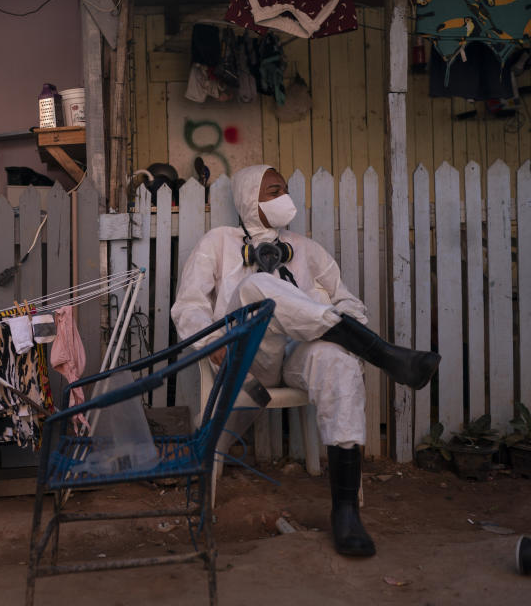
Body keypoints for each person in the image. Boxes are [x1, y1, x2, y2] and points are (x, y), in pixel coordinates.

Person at [171, 165, 440, 557]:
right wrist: (212, 341)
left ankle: (345, 512)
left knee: (340, 364)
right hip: (243, 355)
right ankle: (382, 353)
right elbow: (189, 305)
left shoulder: (307, 249)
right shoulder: (219, 242)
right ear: (250, 198)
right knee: (258, 285)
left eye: (285, 189)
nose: (284, 197)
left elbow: (348, 301)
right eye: (273, 190)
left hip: (297, 354)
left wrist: (332, 322)